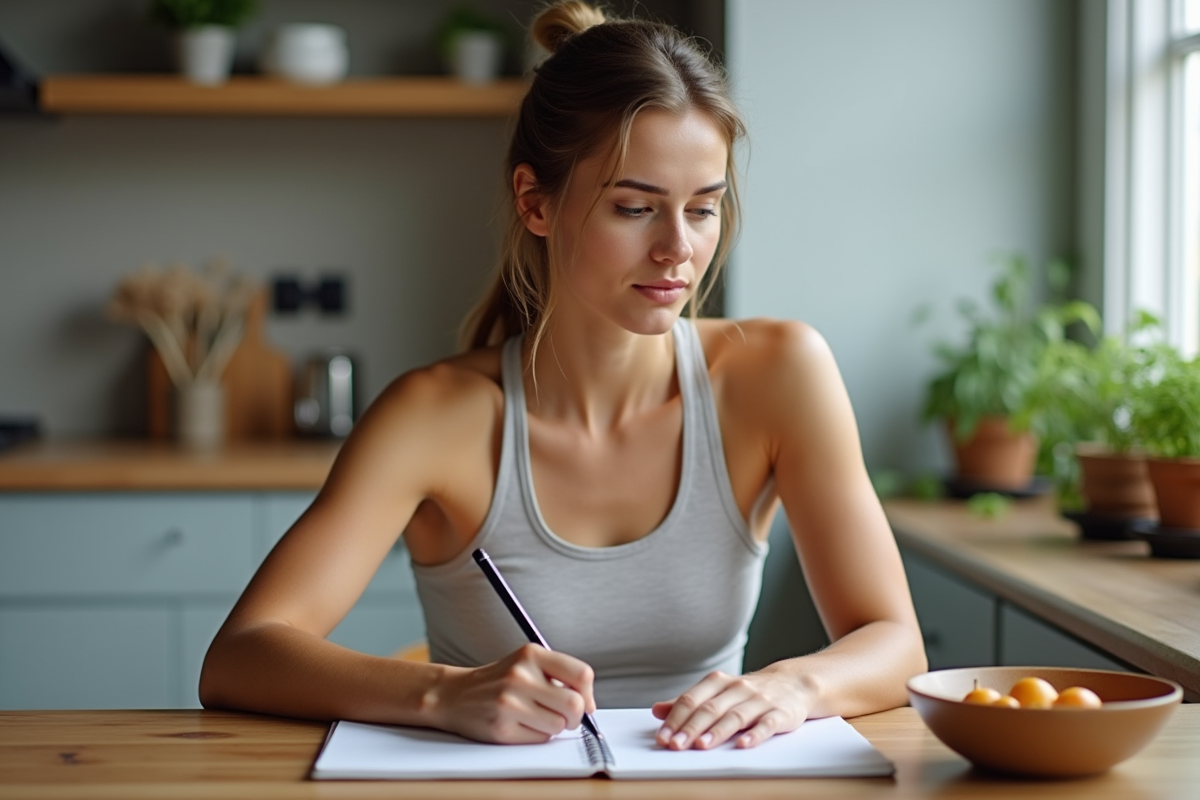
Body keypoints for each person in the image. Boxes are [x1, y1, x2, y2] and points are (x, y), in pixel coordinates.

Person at [200, 0, 926, 752]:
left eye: (703, 209)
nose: (678, 248)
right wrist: (443, 694)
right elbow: (241, 655)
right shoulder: (434, 416)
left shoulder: (780, 374)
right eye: (636, 207)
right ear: (535, 202)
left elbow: (894, 640)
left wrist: (794, 685)